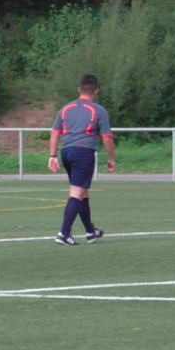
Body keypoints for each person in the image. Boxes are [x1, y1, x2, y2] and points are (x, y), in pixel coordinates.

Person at [48, 74, 116, 246]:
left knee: (83, 192)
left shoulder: (66, 108)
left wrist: (52, 155)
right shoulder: (99, 110)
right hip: (83, 153)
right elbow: (107, 137)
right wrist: (111, 158)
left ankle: (90, 232)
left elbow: (55, 132)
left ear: (79, 89)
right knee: (77, 193)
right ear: (96, 91)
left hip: (66, 152)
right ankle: (63, 234)